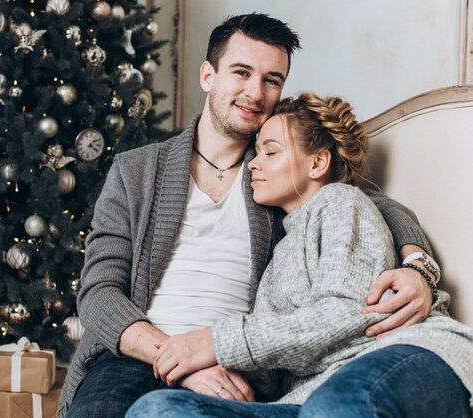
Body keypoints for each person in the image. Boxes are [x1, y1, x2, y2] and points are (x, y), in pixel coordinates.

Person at [59, 14, 438, 418]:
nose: (255, 92)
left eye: (271, 79)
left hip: (237, 366)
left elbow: (369, 200)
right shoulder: (138, 170)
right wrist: (177, 360)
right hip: (134, 356)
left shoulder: (275, 173)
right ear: (208, 75)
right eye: (242, 72)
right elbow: (99, 295)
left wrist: (419, 267)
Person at [127, 93, 473, 418]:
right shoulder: (278, 252)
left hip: (398, 358)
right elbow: (275, 366)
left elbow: (350, 313)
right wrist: (214, 374)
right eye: (256, 152)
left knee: (334, 406)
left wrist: (217, 342)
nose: (253, 165)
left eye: (270, 152)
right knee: (157, 410)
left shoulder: (340, 202)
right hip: (304, 401)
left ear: (318, 162)